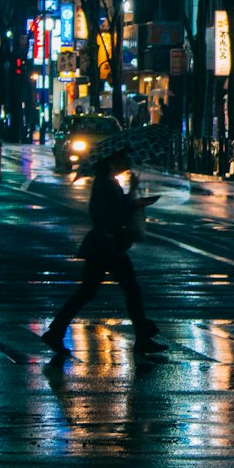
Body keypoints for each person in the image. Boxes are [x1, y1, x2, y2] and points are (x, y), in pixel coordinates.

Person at [42, 149, 165, 359]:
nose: (128, 162)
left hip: (106, 245)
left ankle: (56, 331)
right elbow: (110, 214)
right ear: (114, 159)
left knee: (102, 291)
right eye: (125, 158)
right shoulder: (104, 183)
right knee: (118, 290)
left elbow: (115, 208)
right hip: (105, 246)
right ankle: (142, 336)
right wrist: (132, 201)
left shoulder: (108, 180)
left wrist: (131, 195)